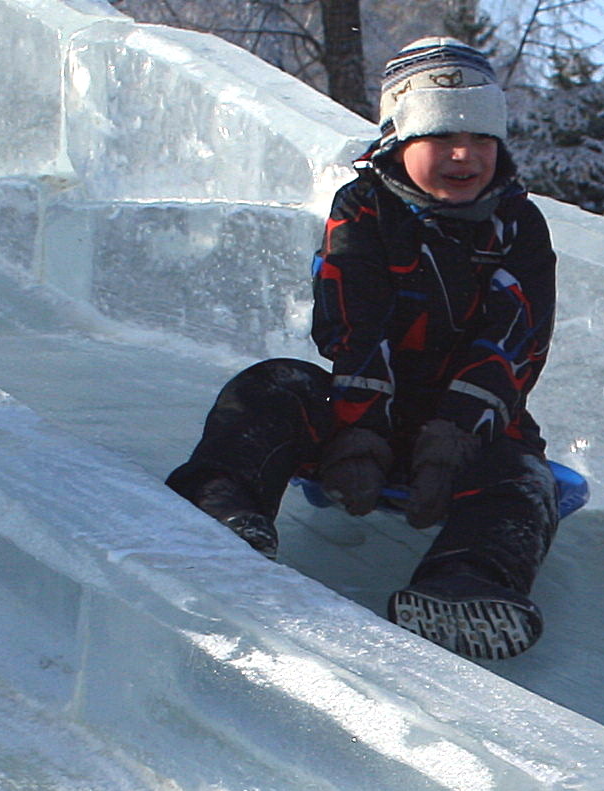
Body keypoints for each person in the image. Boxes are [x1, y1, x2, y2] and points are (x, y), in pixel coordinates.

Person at [165, 37, 582, 661]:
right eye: (441, 137)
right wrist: (359, 431)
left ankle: (468, 584)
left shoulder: (518, 225)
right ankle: (220, 512)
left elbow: (515, 338)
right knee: (271, 386)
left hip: (467, 423)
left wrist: (455, 433)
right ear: (400, 138)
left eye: (483, 138)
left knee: (524, 477)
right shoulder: (363, 209)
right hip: (358, 406)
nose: (465, 155)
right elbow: (355, 322)